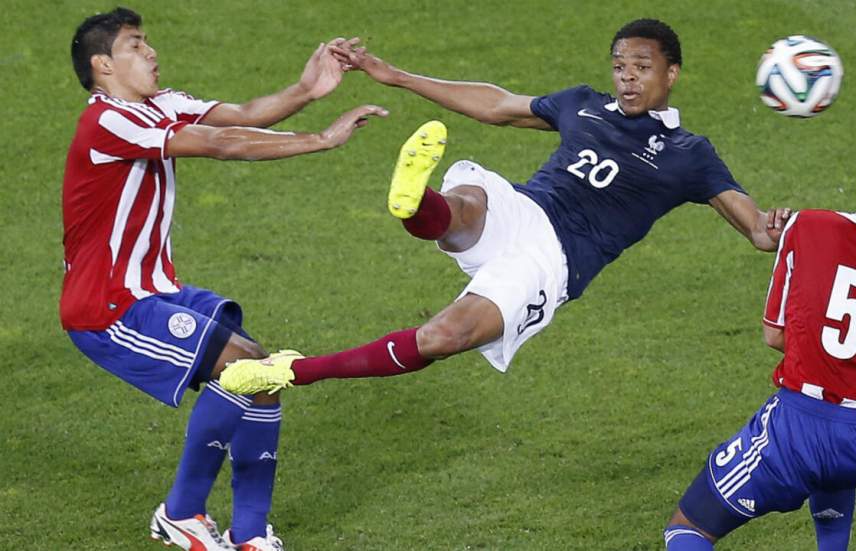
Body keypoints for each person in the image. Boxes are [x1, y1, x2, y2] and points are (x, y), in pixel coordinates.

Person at [218, 19, 791, 394]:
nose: (627, 78)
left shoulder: (691, 156)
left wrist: (780, 226)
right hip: (523, 208)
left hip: (551, 264)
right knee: (472, 200)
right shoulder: (582, 105)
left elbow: (759, 233)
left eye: (641, 67)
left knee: (440, 339)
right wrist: (393, 76)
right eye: (620, 65)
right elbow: (496, 105)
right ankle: (419, 204)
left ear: (672, 73)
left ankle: (289, 370)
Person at [62, 8, 386, 551]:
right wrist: (320, 140)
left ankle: (251, 534)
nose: (151, 53)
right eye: (136, 46)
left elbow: (245, 116)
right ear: (103, 65)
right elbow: (220, 144)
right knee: (239, 367)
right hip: (106, 308)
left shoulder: (159, 106)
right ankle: (181, 512)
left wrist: (308, 89)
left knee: (258, 370)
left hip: (155, 290)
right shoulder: (106, 121)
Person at [662, 135, 856, 550]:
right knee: (833, 469)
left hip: (796, 429)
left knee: (687, 528)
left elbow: (774, 334)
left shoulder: (807, 225)